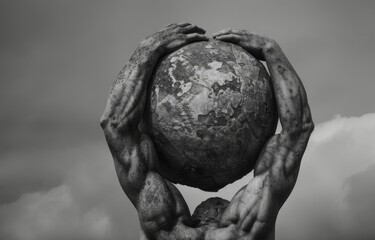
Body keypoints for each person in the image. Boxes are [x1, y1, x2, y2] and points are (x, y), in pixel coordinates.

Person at [100, 23, 314, 240]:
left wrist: (146, 50)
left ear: (196, 218)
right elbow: (298, 129)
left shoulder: (165, 230)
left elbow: (115, 125)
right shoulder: (246, 231)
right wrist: (271, 49)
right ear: (231, 212)